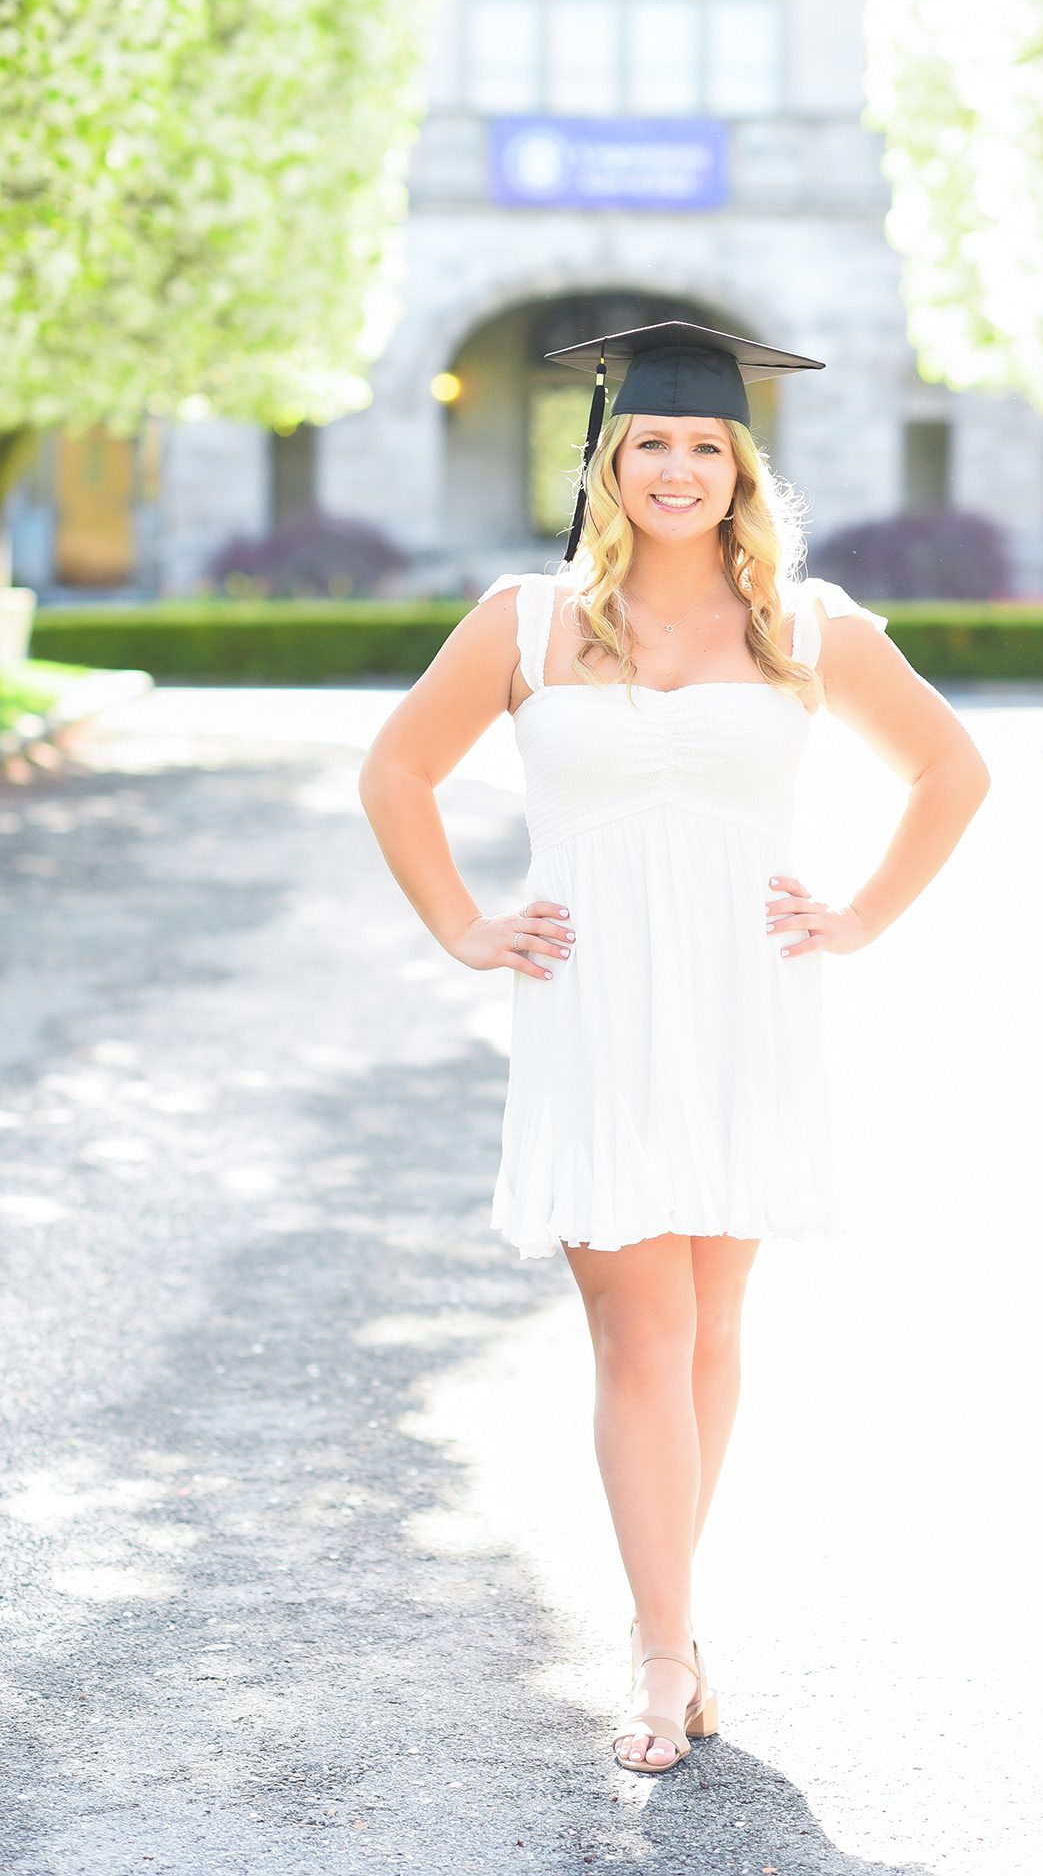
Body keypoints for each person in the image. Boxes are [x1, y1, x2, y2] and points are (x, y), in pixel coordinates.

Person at [358, 320, 991, 1774]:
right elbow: (396, 768)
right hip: (592, 1005)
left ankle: (671, 1619)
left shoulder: (807, 627)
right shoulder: (525, 622)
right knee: (638, 1328)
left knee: (710, 1326)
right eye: (652, 441)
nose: (678, 468)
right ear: (609, 461)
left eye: (707, 445)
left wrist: (861, 917)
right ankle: (660, 1655)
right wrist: (463, 925)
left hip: (745, 1006)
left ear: (743, 469)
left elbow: (953, 770)